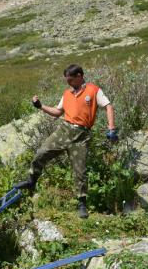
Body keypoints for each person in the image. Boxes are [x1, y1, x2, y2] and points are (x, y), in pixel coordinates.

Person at [14, 64, 118, 219]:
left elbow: (108, 106)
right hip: (64, 130)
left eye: (70, 80)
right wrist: (40, 106)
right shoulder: (67, 94)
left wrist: (111, 129)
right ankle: (31, 181)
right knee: (42, 152)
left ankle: (82, 203)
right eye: (67, 80)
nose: (68, 83)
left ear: (80, 76)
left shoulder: (93, 90)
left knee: (80, 170)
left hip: (81, 135)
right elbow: (57, 112)